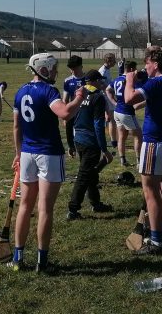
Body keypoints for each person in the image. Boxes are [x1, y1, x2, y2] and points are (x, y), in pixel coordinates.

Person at [9, 53, 84, 273]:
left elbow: (16, 127)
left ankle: (18, 257)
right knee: (45, 209)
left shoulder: (21, 91)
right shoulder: (48, 91)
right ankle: (42, 262)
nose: (56, 72)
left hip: (27, 153)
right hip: (48, 154)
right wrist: (79, 98)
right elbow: (65, 114)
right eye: (52, 69)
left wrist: (18, 152)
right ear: (43, 70)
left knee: (25, 207)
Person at [124, 48, 162, 255]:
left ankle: (156, 240)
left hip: (154, 142)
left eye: (147, 63)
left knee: (151, 192)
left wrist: (129, 79)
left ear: (156, 64)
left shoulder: (157, 82)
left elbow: (129, 99)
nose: (145, 67)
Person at [65, 70, 114, 220]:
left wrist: (70, 144)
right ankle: (73, 210)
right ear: (93, 81)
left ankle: (96, 203)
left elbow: (69, 119)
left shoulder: (78, 94)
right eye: (100, 81)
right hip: (90, 141)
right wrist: (104, 149)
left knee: (91, 173)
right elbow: (99, 125)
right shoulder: (98, 97)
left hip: (78, 139)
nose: (102, 83)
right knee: (84, 175)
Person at [106, 60, 143, 166]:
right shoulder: (130, 81)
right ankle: (139, 161)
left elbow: (108, 89)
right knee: (138, 136)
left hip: (117, 112)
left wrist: (114, 102)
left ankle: (122, 160)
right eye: (135, 70)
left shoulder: (117, 79)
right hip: (127, 112)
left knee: (122, 136)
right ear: (131, 69)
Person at [98, 53, 119, 150]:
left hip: (108, 97)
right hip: (105, 98)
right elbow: (101, 86)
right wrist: (111, 89)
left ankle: (113, 140)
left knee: (110, 120)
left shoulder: (107, 70)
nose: (115, 62)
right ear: (109, 61)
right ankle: (113, 141)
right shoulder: (102, 71)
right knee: (111, 120)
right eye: (114, 60)